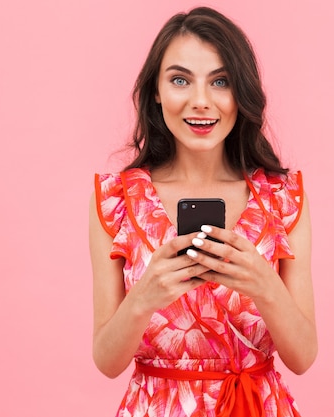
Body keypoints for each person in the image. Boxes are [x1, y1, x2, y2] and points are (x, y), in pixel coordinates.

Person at [89, 6, 317, 417]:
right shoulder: (117, 199)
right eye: (180, 80)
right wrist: (143, 297)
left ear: (241, 91)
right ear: (156, 90)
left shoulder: (282, 198)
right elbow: (107, 362)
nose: (200, 102)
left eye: (220, 82)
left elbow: (302, 357)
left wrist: (265, 285)